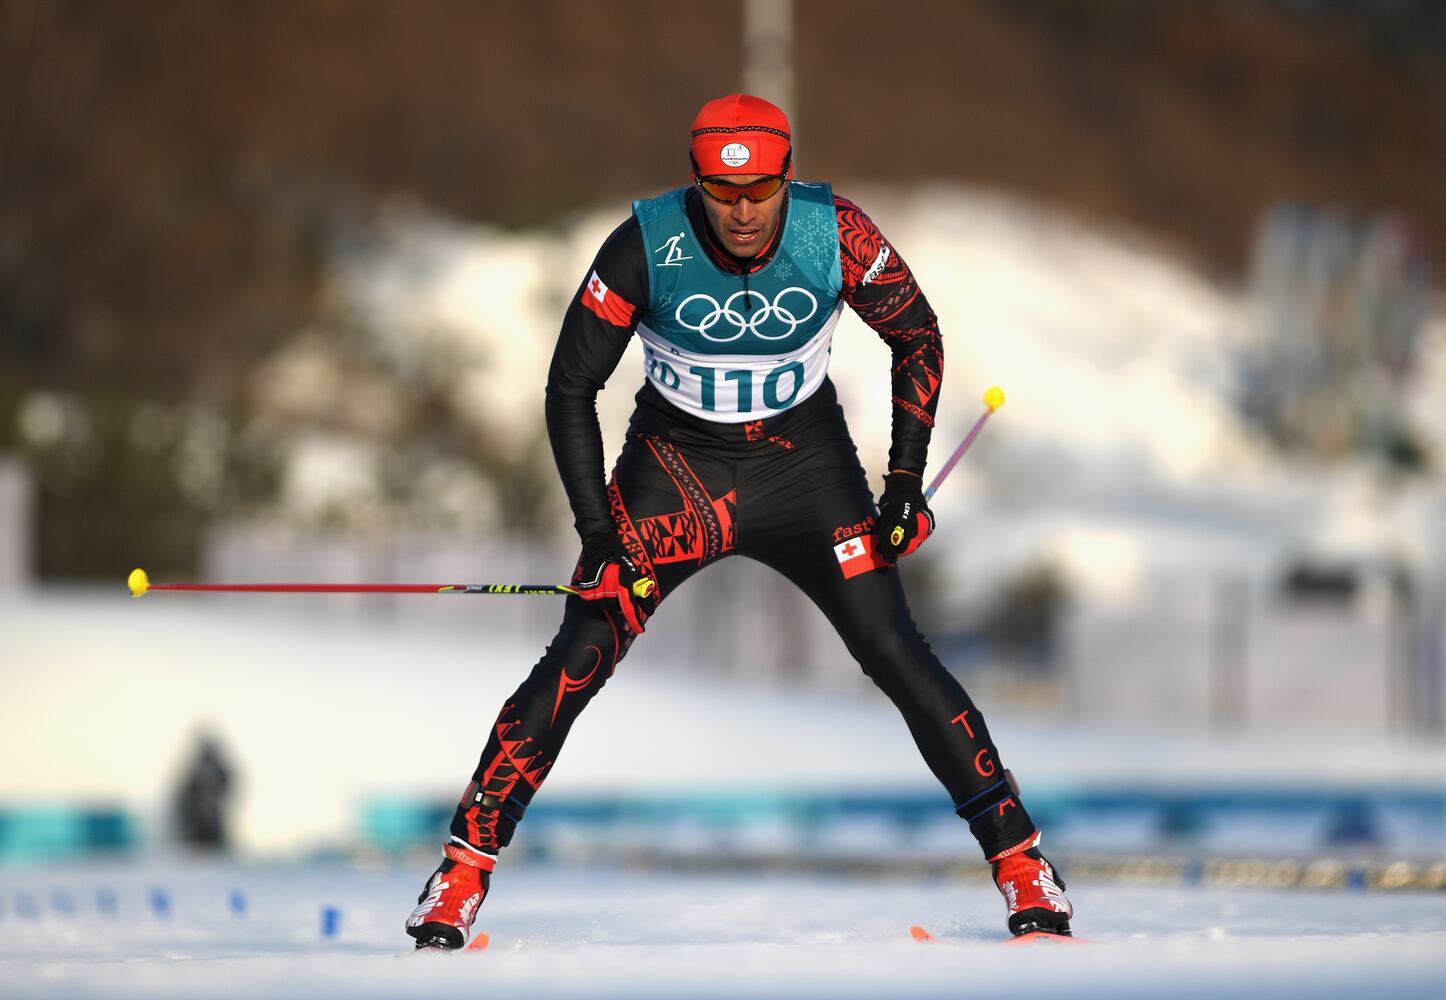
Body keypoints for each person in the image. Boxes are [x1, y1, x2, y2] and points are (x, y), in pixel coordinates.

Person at [405, 94, 1073, 949]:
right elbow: (568, 389)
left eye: (762, 190)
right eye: (725, 196)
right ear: (696, 185)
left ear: (786, 176)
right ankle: (460, 872)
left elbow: (918, 336)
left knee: (895, 652)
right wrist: (599, 536)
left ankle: (1021, 862)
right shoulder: (643, 246)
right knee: (580, 654)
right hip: (674, 472)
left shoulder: (838, 233)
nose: (746, 212)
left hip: (806, 470)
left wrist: (903, 482)